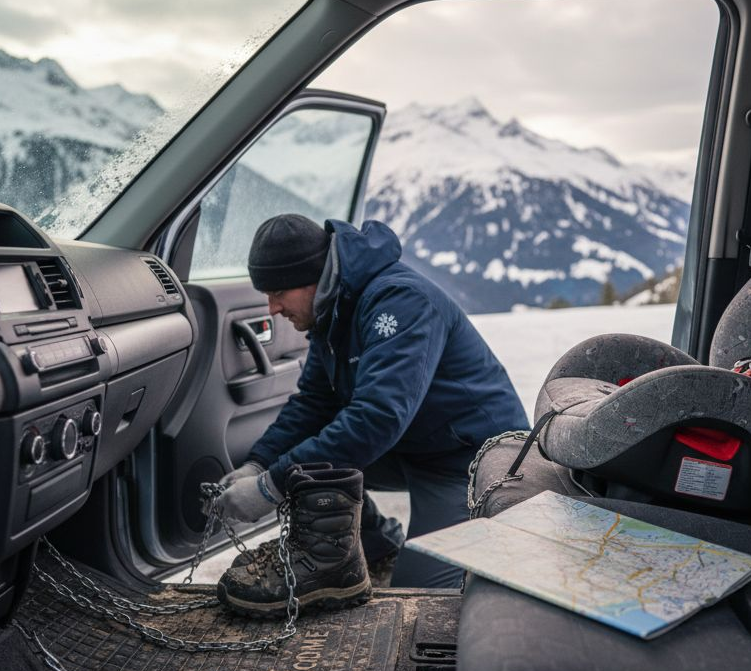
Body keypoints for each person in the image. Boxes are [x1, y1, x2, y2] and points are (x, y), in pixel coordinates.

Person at [215, 214, 528, 588]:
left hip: (473, 458)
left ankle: (417, 558)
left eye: (278, 293)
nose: (273, 308)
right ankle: (375, 548)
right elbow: (313, 403)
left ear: (313, 278)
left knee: (419, 594)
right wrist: (259, 463)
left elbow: (377, 418)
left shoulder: (401, 301)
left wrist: (271, 486)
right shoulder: (333, 308)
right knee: (303, 466)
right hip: (414, 444)